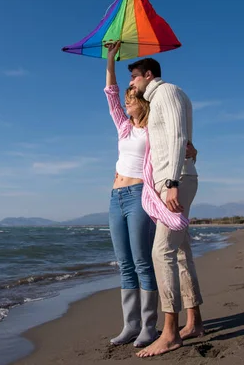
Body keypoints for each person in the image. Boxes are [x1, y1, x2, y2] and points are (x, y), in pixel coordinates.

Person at [103, 41, 197, 348]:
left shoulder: (152, 125)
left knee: (147, 259)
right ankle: (130, 324)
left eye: (132, 98)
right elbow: (111, 96)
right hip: (116, 197)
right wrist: (111, 58)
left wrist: (188, 151)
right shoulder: (125, 128)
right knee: (125, 262)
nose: (127, 102)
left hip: (142, 194)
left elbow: (176, 134)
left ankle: (150, 325)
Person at [126, 56, 204, 358]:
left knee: (162, 252)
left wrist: (171, 181)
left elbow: (177, 135)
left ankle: (170, 333)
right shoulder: (170, 95)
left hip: (176, 180)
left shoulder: (166, 92)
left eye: (134, 77)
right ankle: (194, 321)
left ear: (148, 75)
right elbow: (181, 136)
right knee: (181, 251)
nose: (132, 83)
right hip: (176, 178)